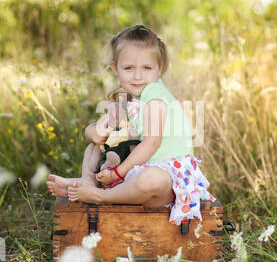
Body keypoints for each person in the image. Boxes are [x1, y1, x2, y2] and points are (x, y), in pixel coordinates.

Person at [47, 23, 215, 225]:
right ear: (115, 67)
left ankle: (100, 196)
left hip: (167, 180)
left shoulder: (155, 94)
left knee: (151, 178)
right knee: (93, 148)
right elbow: (98, 131)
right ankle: (87, 182)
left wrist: (117, 173)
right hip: (135, 170)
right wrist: (95, 133)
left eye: (147, 68)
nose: (137, 76)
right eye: (129, 68)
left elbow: (151, 143)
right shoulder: (127, 97)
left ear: (159, 69)